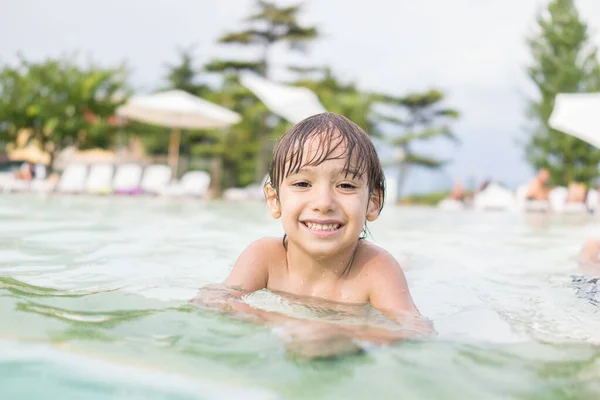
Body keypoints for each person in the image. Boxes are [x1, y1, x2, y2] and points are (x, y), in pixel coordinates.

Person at [192, 113, 430, 357]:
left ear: (373, 203)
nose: (323, 203)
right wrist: (289, 323)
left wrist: (344, 337)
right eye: (303, 184)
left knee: (405, 265)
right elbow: (212, 300)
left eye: (346, 185)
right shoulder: (265, 257)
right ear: (274, 200)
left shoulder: (376, 269)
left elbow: (414, 329)